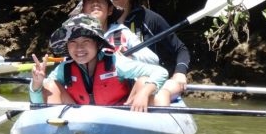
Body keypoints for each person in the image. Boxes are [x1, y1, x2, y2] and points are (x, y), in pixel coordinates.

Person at [30, 14, 170, 112]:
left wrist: (145, 92)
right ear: (67, 47)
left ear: (97, 44)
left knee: (145, 82)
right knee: (49, 85)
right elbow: (38, 104)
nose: (79, 48)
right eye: (73, 42)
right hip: (80, 121)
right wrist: (36, 85)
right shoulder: (64, 69)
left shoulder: (116, 62)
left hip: (121, 117)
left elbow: (161, 72)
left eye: (86, 41)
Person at [93, 0, 191, 99]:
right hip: (108, 88)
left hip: (145, 83)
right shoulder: (94, 21)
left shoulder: (150, 19)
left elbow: (180, 49)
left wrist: (180, 72)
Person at [70, 0, 159, 64]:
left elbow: (153, 59)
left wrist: (130, 55)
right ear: (82, 9)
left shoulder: (122, 33)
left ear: (110, 10)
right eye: (89, 0)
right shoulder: (71, 34)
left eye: (101, 0)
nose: (95, 3)